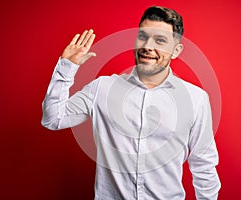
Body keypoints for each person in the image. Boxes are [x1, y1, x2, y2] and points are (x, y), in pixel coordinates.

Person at [41, 6, 221, 200]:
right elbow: (53, 119)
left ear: (176, 50)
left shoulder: (195, 99)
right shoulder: (102, 88)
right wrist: (67, 66)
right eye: (143, 37)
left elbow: (203, 165)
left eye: (160, 40)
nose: (148, 46)